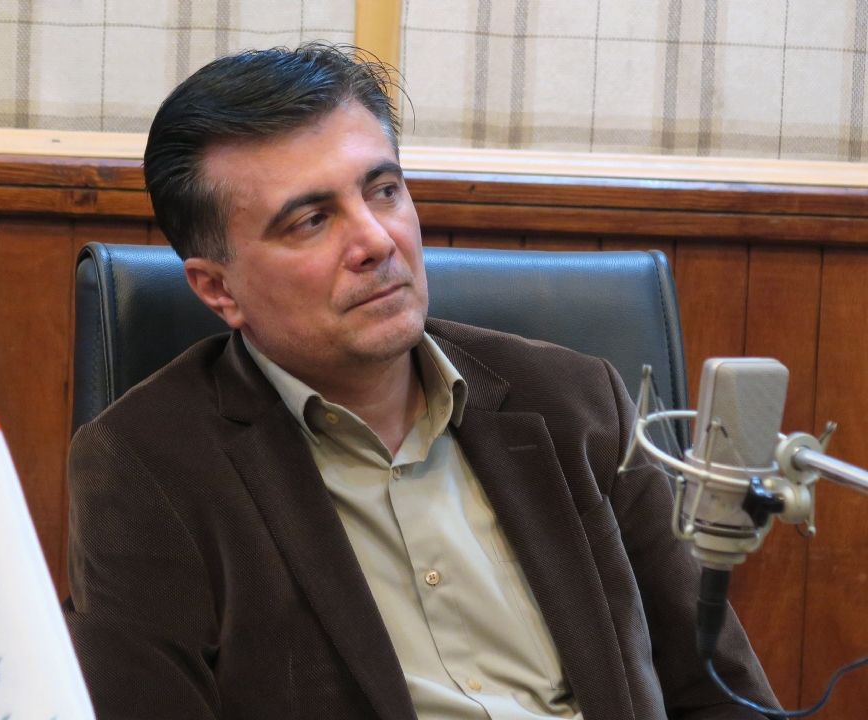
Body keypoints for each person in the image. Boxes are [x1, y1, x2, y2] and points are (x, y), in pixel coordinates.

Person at [64, 43, 777, 719]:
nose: (377, 241)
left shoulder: (577, 401)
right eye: (311, 221)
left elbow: (721, 694)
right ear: (219, 289)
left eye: (383, 191)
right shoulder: (145, 466)